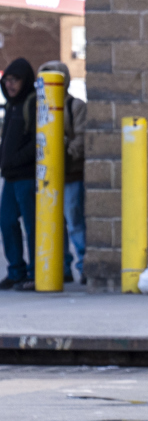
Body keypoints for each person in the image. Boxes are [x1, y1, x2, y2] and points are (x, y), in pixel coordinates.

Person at [40, 62, 88, 285]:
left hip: (70, 175)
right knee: (53, 224)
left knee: (75, 222)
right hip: (48, 177)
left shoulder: (75, 106)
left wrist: (64, 151)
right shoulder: (41, 107)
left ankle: (83, 266)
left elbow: (81, 139)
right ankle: (61, 268)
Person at [0, 58, 38, 290]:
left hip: (26, 176)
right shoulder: (11, 106)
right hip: (11, 177)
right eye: (7, 81)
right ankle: (16, 270)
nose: (10, 85)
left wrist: (15, 159)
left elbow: (37, 140)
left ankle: (35, 272)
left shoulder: (31, 103)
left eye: (15, 80)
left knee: (33, 226)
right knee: (6, 221)